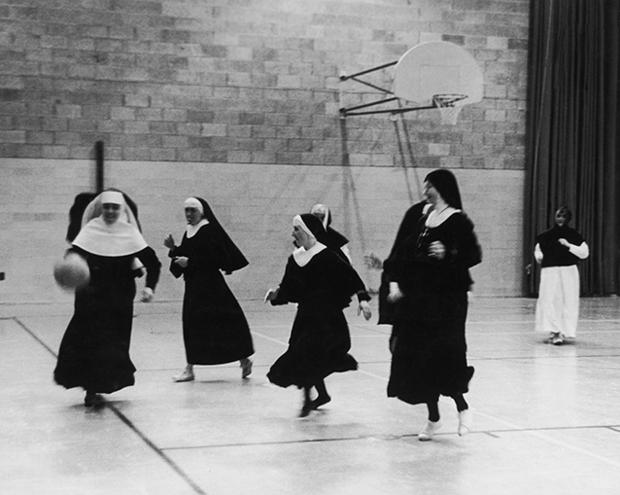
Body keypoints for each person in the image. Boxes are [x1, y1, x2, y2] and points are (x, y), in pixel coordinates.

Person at [387, 169, 481, 441]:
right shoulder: (420, 217)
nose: (425, 190)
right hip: (419, 298)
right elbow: (404, 251)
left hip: (447, 301)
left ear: (441, 188)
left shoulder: (458, 220)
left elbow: (473, 254)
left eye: (429, 185)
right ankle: (433, 418)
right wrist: (396, 281)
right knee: (419, 358)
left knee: (444, 355)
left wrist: (448, 252)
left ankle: (463, 408)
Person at [54, 190, 161, 407]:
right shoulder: (91, 231)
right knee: (90, 341)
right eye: (107, 207)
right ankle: (91, 388)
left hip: (119, 299)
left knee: (113, 344)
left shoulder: (129, 233)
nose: (111, 211)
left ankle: (102, 384)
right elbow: (74, 255)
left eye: (115, 207)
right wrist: (68, 267)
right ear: (100, 209)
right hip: (91, 296)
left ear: (121, 210)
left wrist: (149, 287)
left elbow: (154, 263)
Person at [265, 214, 372, 417]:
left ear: (307, 231)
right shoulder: (294, 259)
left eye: (296, 228)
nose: (293, 233)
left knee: (310, 354)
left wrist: (363, 299)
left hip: (328, 317)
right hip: (306, 315)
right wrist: (275, 295)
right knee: (305, 355)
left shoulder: (327, 255)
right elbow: (289, 288)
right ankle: (320, 395)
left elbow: (351, 277)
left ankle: (308, 399)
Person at [164, 197, 254, 382]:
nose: (188, 214)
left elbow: (215, 259)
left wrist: (190, 262)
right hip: (193, 287)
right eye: (186, 210)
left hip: (212, 287)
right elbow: (188, 253)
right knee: (191, 325)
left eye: (192, 210)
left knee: (226, 323)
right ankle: (189, 368)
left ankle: (244, 359)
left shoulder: (209, 230)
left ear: (201, 212)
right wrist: (174, 249)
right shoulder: (189, 231)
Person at [534, 206, 589, 345]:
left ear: (568, 218)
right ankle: (554, 331)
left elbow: (584, 253)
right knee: (549, 300)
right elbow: (538, 250)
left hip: (568, 271)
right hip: (550, 271)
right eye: (558, 216)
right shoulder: (546, 235)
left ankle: (564, 331)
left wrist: (569, 245)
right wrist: (539, 257)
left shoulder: (574, 235)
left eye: (563, 216)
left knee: (567, 301)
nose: (560, 219)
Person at [310, 203, 372, 309]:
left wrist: (362, 297)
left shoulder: (335, 240)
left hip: (331, 292)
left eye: (321, 217)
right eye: (315, 217)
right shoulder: (305, 240)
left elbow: (348, 268)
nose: (318, 221)